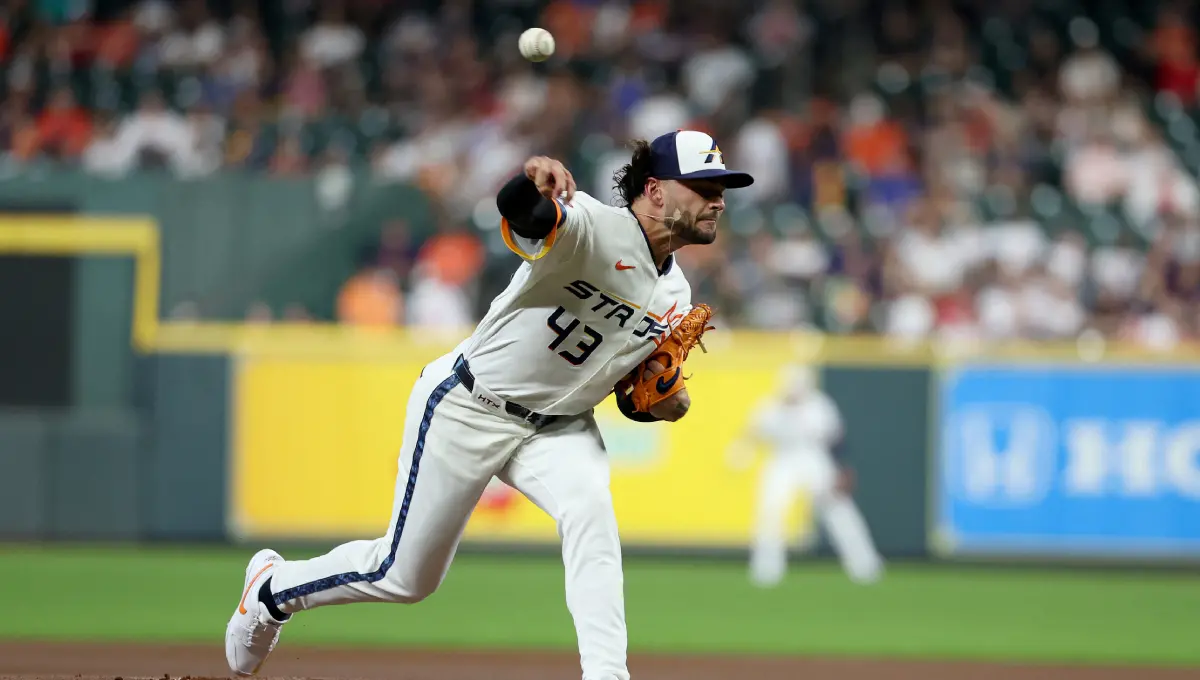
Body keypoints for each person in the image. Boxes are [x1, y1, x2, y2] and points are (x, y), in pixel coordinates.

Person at [225, 130, 753, 679]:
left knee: (591, 512)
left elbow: (635, 395)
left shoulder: (676, 297)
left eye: (721, 190)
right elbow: (525, 214)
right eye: (704, 187)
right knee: (404, 577)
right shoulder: (592, 227)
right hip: (471, 403)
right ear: (656, 190)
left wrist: (666, 404)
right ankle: (272, 590)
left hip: (558, 429)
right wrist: (528, 183)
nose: (717, 200)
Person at [729, 364, 884, 587]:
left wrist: (843, 468)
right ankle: (767, 567)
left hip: (814, 458)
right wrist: (742, 451)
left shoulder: (819, 406)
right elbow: (752, 433)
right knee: (770, 510)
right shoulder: (770, 408)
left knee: (839, 510)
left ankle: (864, 564)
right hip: (782, 459)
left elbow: (836, 438)